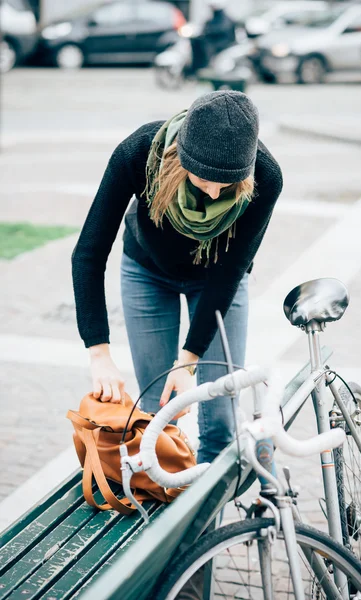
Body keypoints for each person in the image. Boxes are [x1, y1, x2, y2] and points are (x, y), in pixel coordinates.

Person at [71, 91, 283, 464]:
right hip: (146, 274)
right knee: (159, 415)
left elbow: (230, 271)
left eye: (229, 184)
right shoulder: (138, 154)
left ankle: (206, 522)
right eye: (205, 181)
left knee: (220, 417)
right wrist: (99, 352)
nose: (216, 192)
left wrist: (188, 360)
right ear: (181, 158)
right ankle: (167, 510)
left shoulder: (266, 175)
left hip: (219, 283)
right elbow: (88, 254)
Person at [190, 0, 237, 73]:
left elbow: (222, 29)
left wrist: (208, 32)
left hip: (222, 44)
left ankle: (206, 66)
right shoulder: (211, 19)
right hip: (214, 42)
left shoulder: (225, 19)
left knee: (205, 45)